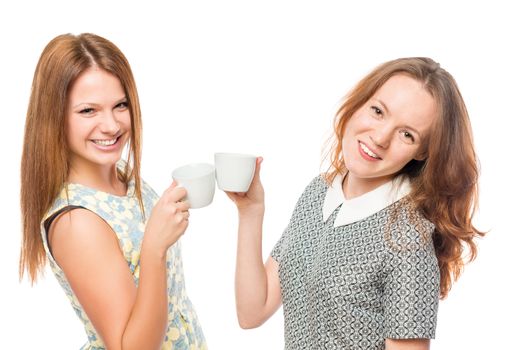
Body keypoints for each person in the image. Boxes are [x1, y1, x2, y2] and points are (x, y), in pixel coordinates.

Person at [226, 57, 483, 350]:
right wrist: (250, 211)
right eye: (377, 111)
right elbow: (252, 311)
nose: (380, 137)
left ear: (423, 152)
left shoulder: (408, 239)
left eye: (407, 134)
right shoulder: (318, 194)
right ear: (359, 103)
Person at [19, 33, 206, 349]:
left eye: (120, 105)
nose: (111, 125)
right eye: (88, 111)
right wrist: (154, 248)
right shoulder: (76, 222)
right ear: (55, 117)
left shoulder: (124, 178)